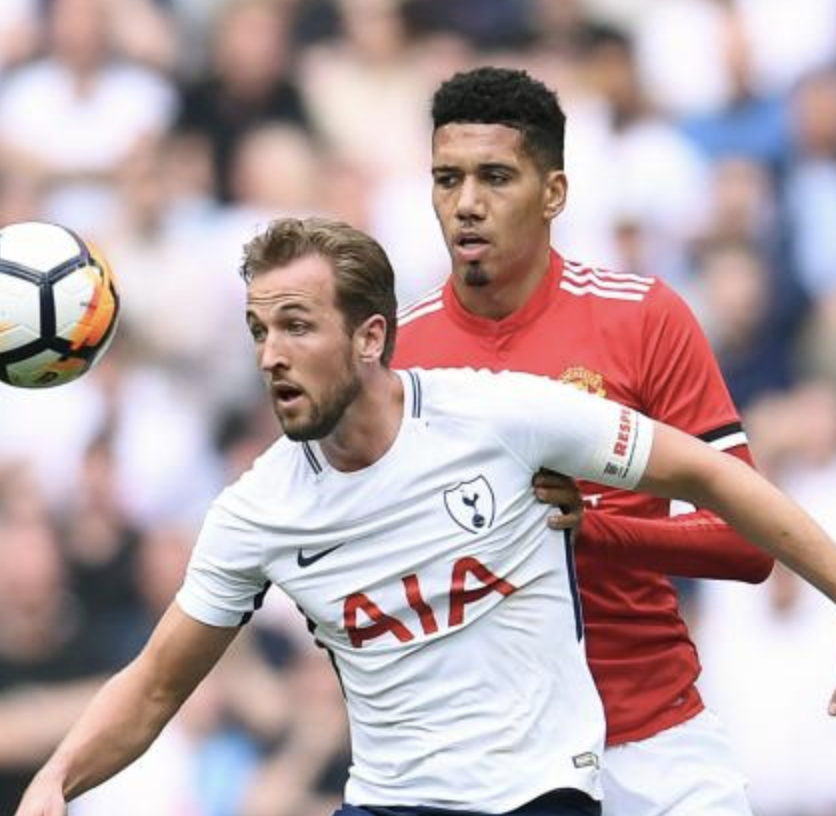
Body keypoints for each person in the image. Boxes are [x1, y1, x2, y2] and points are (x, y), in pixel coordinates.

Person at [13, 217, 836, 816]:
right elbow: (157, 684)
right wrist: (57, 778)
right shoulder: (257, 511)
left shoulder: (501, 417)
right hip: (388, 802)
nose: (271, 354)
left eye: (297, 326)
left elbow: (710, 474)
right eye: (260, 330)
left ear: (370, 337)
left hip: (539, 796)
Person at [392, 66, 775, 814]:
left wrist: (592, 530)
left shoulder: (642, 318)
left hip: (652, 741)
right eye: (447, 178)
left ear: (554, 193)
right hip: (486, 763)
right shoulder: (397, 358)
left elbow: (747, 542)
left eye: (495, 177)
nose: (466, 203)